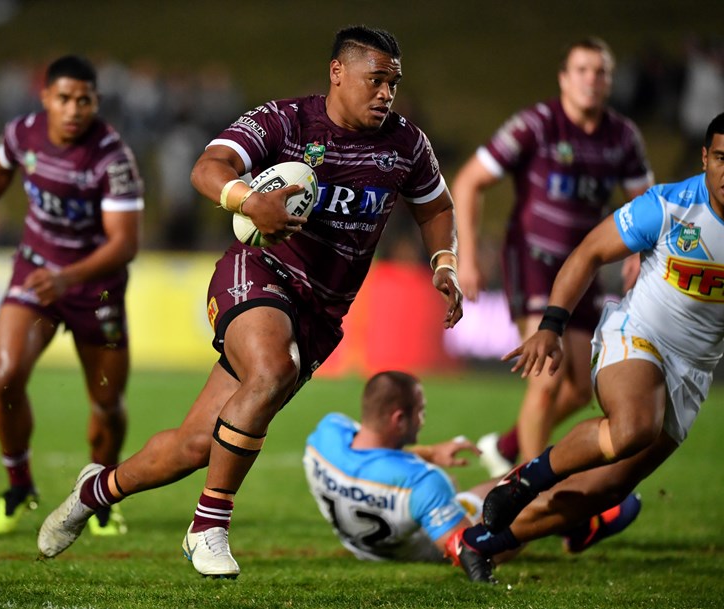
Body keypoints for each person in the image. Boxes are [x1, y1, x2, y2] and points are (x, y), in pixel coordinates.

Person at [36, 25, 463, 579]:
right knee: (271, 369)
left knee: (195, 446)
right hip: (259, 271)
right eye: (376, 80)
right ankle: (208, 527)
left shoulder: (406, 144)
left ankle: (94, 491)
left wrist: (445, 263)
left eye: (393, 84)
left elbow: (436, 207)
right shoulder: (287, 121)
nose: (386, 94)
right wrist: (247, 200)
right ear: (338, 72)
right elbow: (207, 167)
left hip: (321, 311)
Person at [449, 113, 724, 584]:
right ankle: (524, 480)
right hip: (638, 336)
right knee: (634, 426)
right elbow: (589, 252)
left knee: (606, 490)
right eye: (722, 158)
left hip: (695, 370)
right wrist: (552, 325)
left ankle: (482, 543)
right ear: (705, 158)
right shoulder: (669, 206)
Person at [0, 55, 144, 537]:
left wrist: (68, 278)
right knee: (6, 376)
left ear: (96, 102)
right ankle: (18, 487)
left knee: (107, 402)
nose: (74, 109)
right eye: (64, 99)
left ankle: (100, 499)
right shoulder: (22, 134)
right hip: (35, 272)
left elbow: (125, 244)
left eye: (84, 100)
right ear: (46, 97)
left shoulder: (112, 157)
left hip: (95, 288)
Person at [450, 37, 655, 477]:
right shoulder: (537, 125)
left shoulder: (622, 137)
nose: (591, 79)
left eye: (600, 72)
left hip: (584, 268)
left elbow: (647, 203)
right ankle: (525, 491)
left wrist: (642, 251)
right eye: (581, 70)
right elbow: (468, 181)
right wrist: (465, 255)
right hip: (534, 260)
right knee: (547, 376)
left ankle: (506, 447)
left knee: (581, 389)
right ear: (563, 78)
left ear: (610, 82)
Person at [305, 371, 640, 570]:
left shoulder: (326, 435)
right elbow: (468, 549)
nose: (423, 419)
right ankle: (580, 522)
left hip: (365, 545)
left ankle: (572, 521)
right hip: (424, 544)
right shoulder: (423, 483)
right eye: (420, 411)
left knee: (501, 486)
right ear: (399, 419)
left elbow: (373, 456)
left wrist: (429, 452)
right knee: (520, 498)